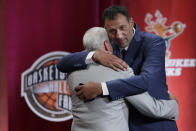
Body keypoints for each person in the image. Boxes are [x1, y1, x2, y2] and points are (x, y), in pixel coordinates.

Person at [57, 5, 178, 131]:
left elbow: (146, 81)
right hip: (126, 125)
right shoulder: (108, 48)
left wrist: (102, 88)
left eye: (122, 28)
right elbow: (62, 64)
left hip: (153, 125)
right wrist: (94, 55)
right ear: (106, 30)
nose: (119, 35)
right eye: (112, 31)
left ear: (131, 22)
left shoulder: (153, 42)